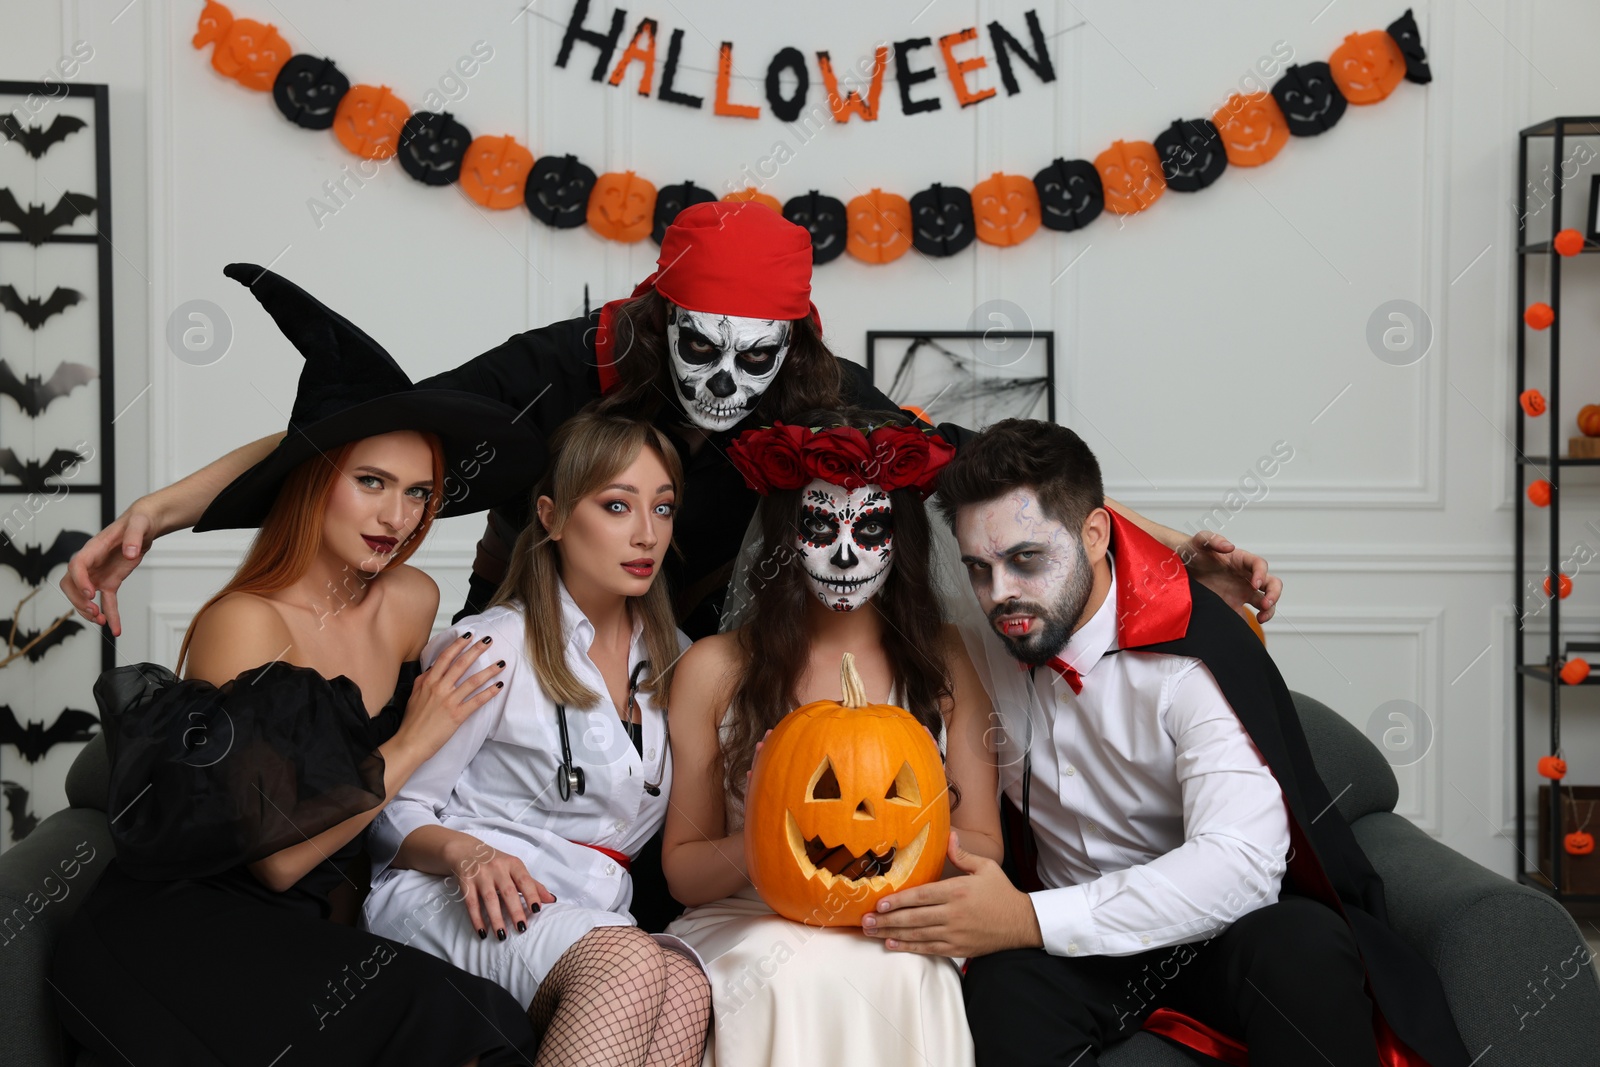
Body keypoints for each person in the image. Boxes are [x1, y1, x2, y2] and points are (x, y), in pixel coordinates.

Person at [63, 203, 1281, 647]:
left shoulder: (821, 395)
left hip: (702, 678)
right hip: (534, 649)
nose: (722, 380)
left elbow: (992, 479)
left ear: (793, 344)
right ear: (653, 316)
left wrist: (1171, 546)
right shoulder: (569, 363)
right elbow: (369, 431)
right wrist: (158, 513)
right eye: (698, 347)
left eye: (753, 358)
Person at [49, 263, 544, 1066]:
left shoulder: (411, 598)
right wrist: (415, 737)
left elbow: (406, 806)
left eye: (419, 492)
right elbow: (280, 857)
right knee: (460, 1024)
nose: (397, 516)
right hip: (179, 933)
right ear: (316, 482)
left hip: (306, 929)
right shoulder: (246, 624)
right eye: (371, 483)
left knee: (491, 1020)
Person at [859, 419, 1470, 1067]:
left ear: (1096, 536)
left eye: (1027, 559)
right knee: (1000, 991)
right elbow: (914, 435)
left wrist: (1027, 919)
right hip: (1075, 949)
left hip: (1216, 934)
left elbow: (1240, 863)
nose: (1000, 592)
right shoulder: (979, 644)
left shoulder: (1195, 651)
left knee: (1302, 946)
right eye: (979, 569)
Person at [362, 410, 711, 1066]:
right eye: (616, 505)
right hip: (455, 898)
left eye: (662, 509)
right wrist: (468, 854)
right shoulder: (492, 646)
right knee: (632, 964)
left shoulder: (678, 662)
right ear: (550, 516)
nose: (645, 533)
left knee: (689, 986)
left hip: (582, 917)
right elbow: (388, 814)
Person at [660, 410, 1002, 1066]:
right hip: (747, 921)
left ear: (900, 537)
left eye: (869, 527)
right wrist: (770, 834)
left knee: (902, 972)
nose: (845, 553)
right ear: (785, 538)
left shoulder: (945, 657)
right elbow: (683, 867)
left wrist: (895, 847)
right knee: (778, 969)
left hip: (899, 922)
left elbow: (985, 839)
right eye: (819, 526)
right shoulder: (713, 666)